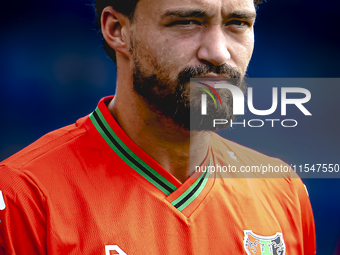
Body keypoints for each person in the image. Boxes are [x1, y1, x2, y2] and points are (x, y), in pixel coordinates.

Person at [0, 0, 316, 254]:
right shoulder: (23, 196)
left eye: (239, 24)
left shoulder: (283, 189)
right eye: (186, 22)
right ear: (117, 30)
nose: (219, 53)